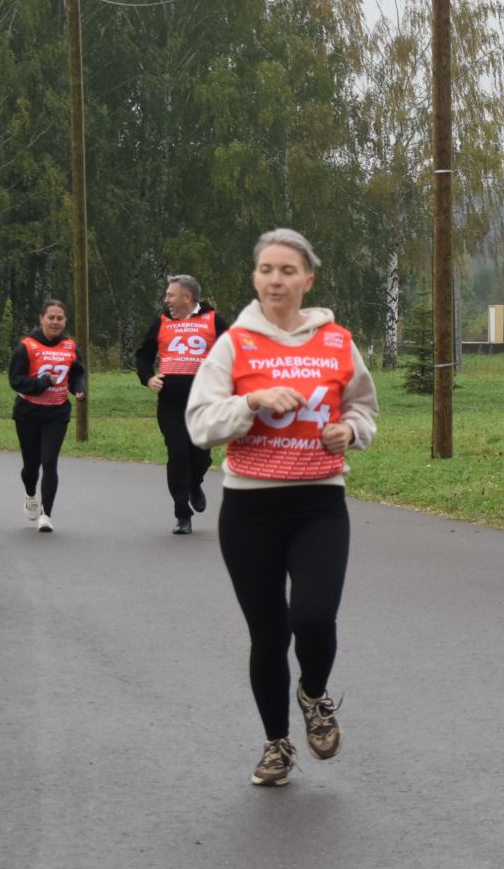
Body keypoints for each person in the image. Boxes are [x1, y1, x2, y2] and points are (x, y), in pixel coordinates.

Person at [186, 229, 379, 787]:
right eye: (267, 269)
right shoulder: (235, 343)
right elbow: (199, 424)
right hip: (249, 509)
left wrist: (350, 430)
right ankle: (276, 745)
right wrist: (250, 401)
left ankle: (314, 695)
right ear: (255, 278)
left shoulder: (337, 341)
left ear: (308, 279)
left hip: (320, 502)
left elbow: (364, 410)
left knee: (313, 618)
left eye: (288, 270)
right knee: (269, 634)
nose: (276, 280)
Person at [134, 275, 220, 534]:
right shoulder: (161, 322)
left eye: (171, 295)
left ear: (187, 297)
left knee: (201, 454)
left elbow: (235, 351)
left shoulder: (214, 320)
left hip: (204, 400)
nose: (166, 300)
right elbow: (143, 356)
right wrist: (148, 378)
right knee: (178, 452)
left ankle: (195, 483)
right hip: (171, 400)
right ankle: (182, 513)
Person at [8, 298, 87, 533]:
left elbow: (76, 373)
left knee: (49, 461)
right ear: (41, 319)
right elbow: (15, 381)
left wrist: (79, 389)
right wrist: (41, 383)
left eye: (60, 318)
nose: (55, 322)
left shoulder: (70, 346)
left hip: (57, 413)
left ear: (65, 321)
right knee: (31, 465)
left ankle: (46, 515)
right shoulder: (27, 346)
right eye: (51, 317)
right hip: (29, 413)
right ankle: (31, 494)